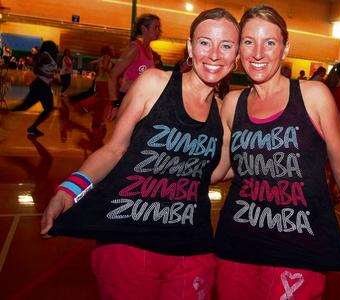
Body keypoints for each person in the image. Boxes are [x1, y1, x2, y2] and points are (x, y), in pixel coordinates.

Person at [40, 8, 239, 299]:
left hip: (191, 243)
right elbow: (113, 149)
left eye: (226, 46)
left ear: (236, 56)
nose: (214, 54)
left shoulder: (223, 111)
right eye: (205, 42)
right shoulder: (155, 84)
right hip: (129, 238)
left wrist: (252, 160)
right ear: (190, 47)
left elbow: (212, 175)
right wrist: (69, 191)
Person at [212, 5, 340, 300]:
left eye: (270, 42)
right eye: (249, 42)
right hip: (238, 242)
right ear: (238, 48)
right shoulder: (232, 103)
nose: (258, 53)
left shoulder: (313, 95)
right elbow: (223, 168)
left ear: (285, 47)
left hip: (299, 247)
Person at [107, 14, 161, 120]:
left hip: (140, 101)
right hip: (128, 99)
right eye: (155, 27)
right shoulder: (134, 49)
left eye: (158, 28)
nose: (158, 31)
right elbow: (112, 76)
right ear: (144, 29)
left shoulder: (149, 52)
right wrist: (115, 105)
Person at [11, 41, 58, 137]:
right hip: (41, 85)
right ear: (50, 47)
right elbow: (36, 69)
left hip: (42, 86)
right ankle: (32, 127)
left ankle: (32, 127)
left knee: (26, 106)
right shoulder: (46, 55)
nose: (56, 48)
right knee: (46, 108)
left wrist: (51, 78)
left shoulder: (49, 56)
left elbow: (43, 69)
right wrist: (47, 75)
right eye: (55, 46)